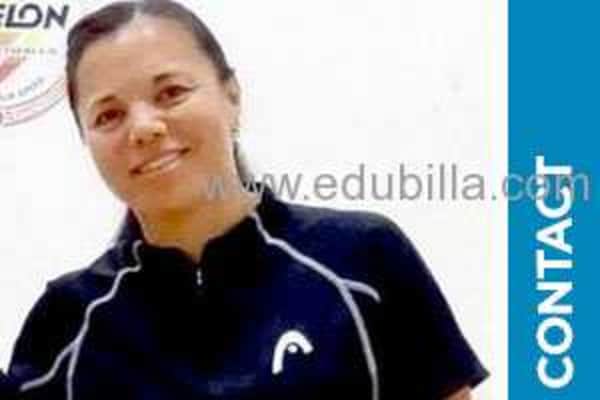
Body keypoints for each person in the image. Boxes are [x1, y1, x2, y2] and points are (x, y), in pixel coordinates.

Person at [3, 1, 488, 399]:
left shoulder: (363, 260)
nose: (144, 128)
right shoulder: (65, 322)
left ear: (232, 96)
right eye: (109, 116)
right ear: (85, 140)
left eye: (171, 92)